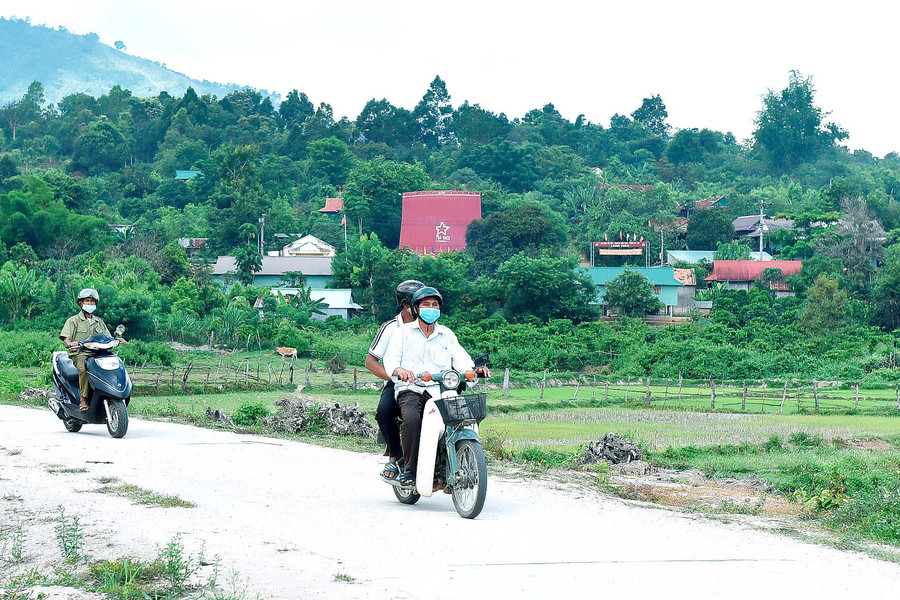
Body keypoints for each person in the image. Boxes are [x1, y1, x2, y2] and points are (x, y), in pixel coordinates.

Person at [383, 286, 490, 487]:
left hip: (441, 390)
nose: (431, 308)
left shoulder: (446, 334)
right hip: (412, 389)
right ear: (416, 308)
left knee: (465, 417)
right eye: (426, 305)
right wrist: (399, 370)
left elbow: (461, 359)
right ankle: (410, 470)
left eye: (435, 305)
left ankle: (459, 459)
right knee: (412, 419)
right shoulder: (402, 333)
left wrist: (474, 371)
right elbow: (391, 360)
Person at [366, 280, 424, 482]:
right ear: (406, 305)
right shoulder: (390, 328)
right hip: (398, 382)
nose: (424, 307)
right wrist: (394, 377)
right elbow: (371, 362)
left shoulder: (432, 327)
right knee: (384, 411)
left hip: (428, 382)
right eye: (420, 302)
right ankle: (394, 454)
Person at [59, 288, 125, 411]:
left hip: (99, 353)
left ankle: (113, 391)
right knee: (83, 368)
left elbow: (107, 337)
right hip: (80, 353)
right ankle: (83, 400)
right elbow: (65, 337)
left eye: (92, 301)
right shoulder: (73, 321)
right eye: (87, 301)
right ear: (81, 303)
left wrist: (116, 339)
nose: (90, 303)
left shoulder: (99, 321)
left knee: (115, 363)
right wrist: (71, 343)